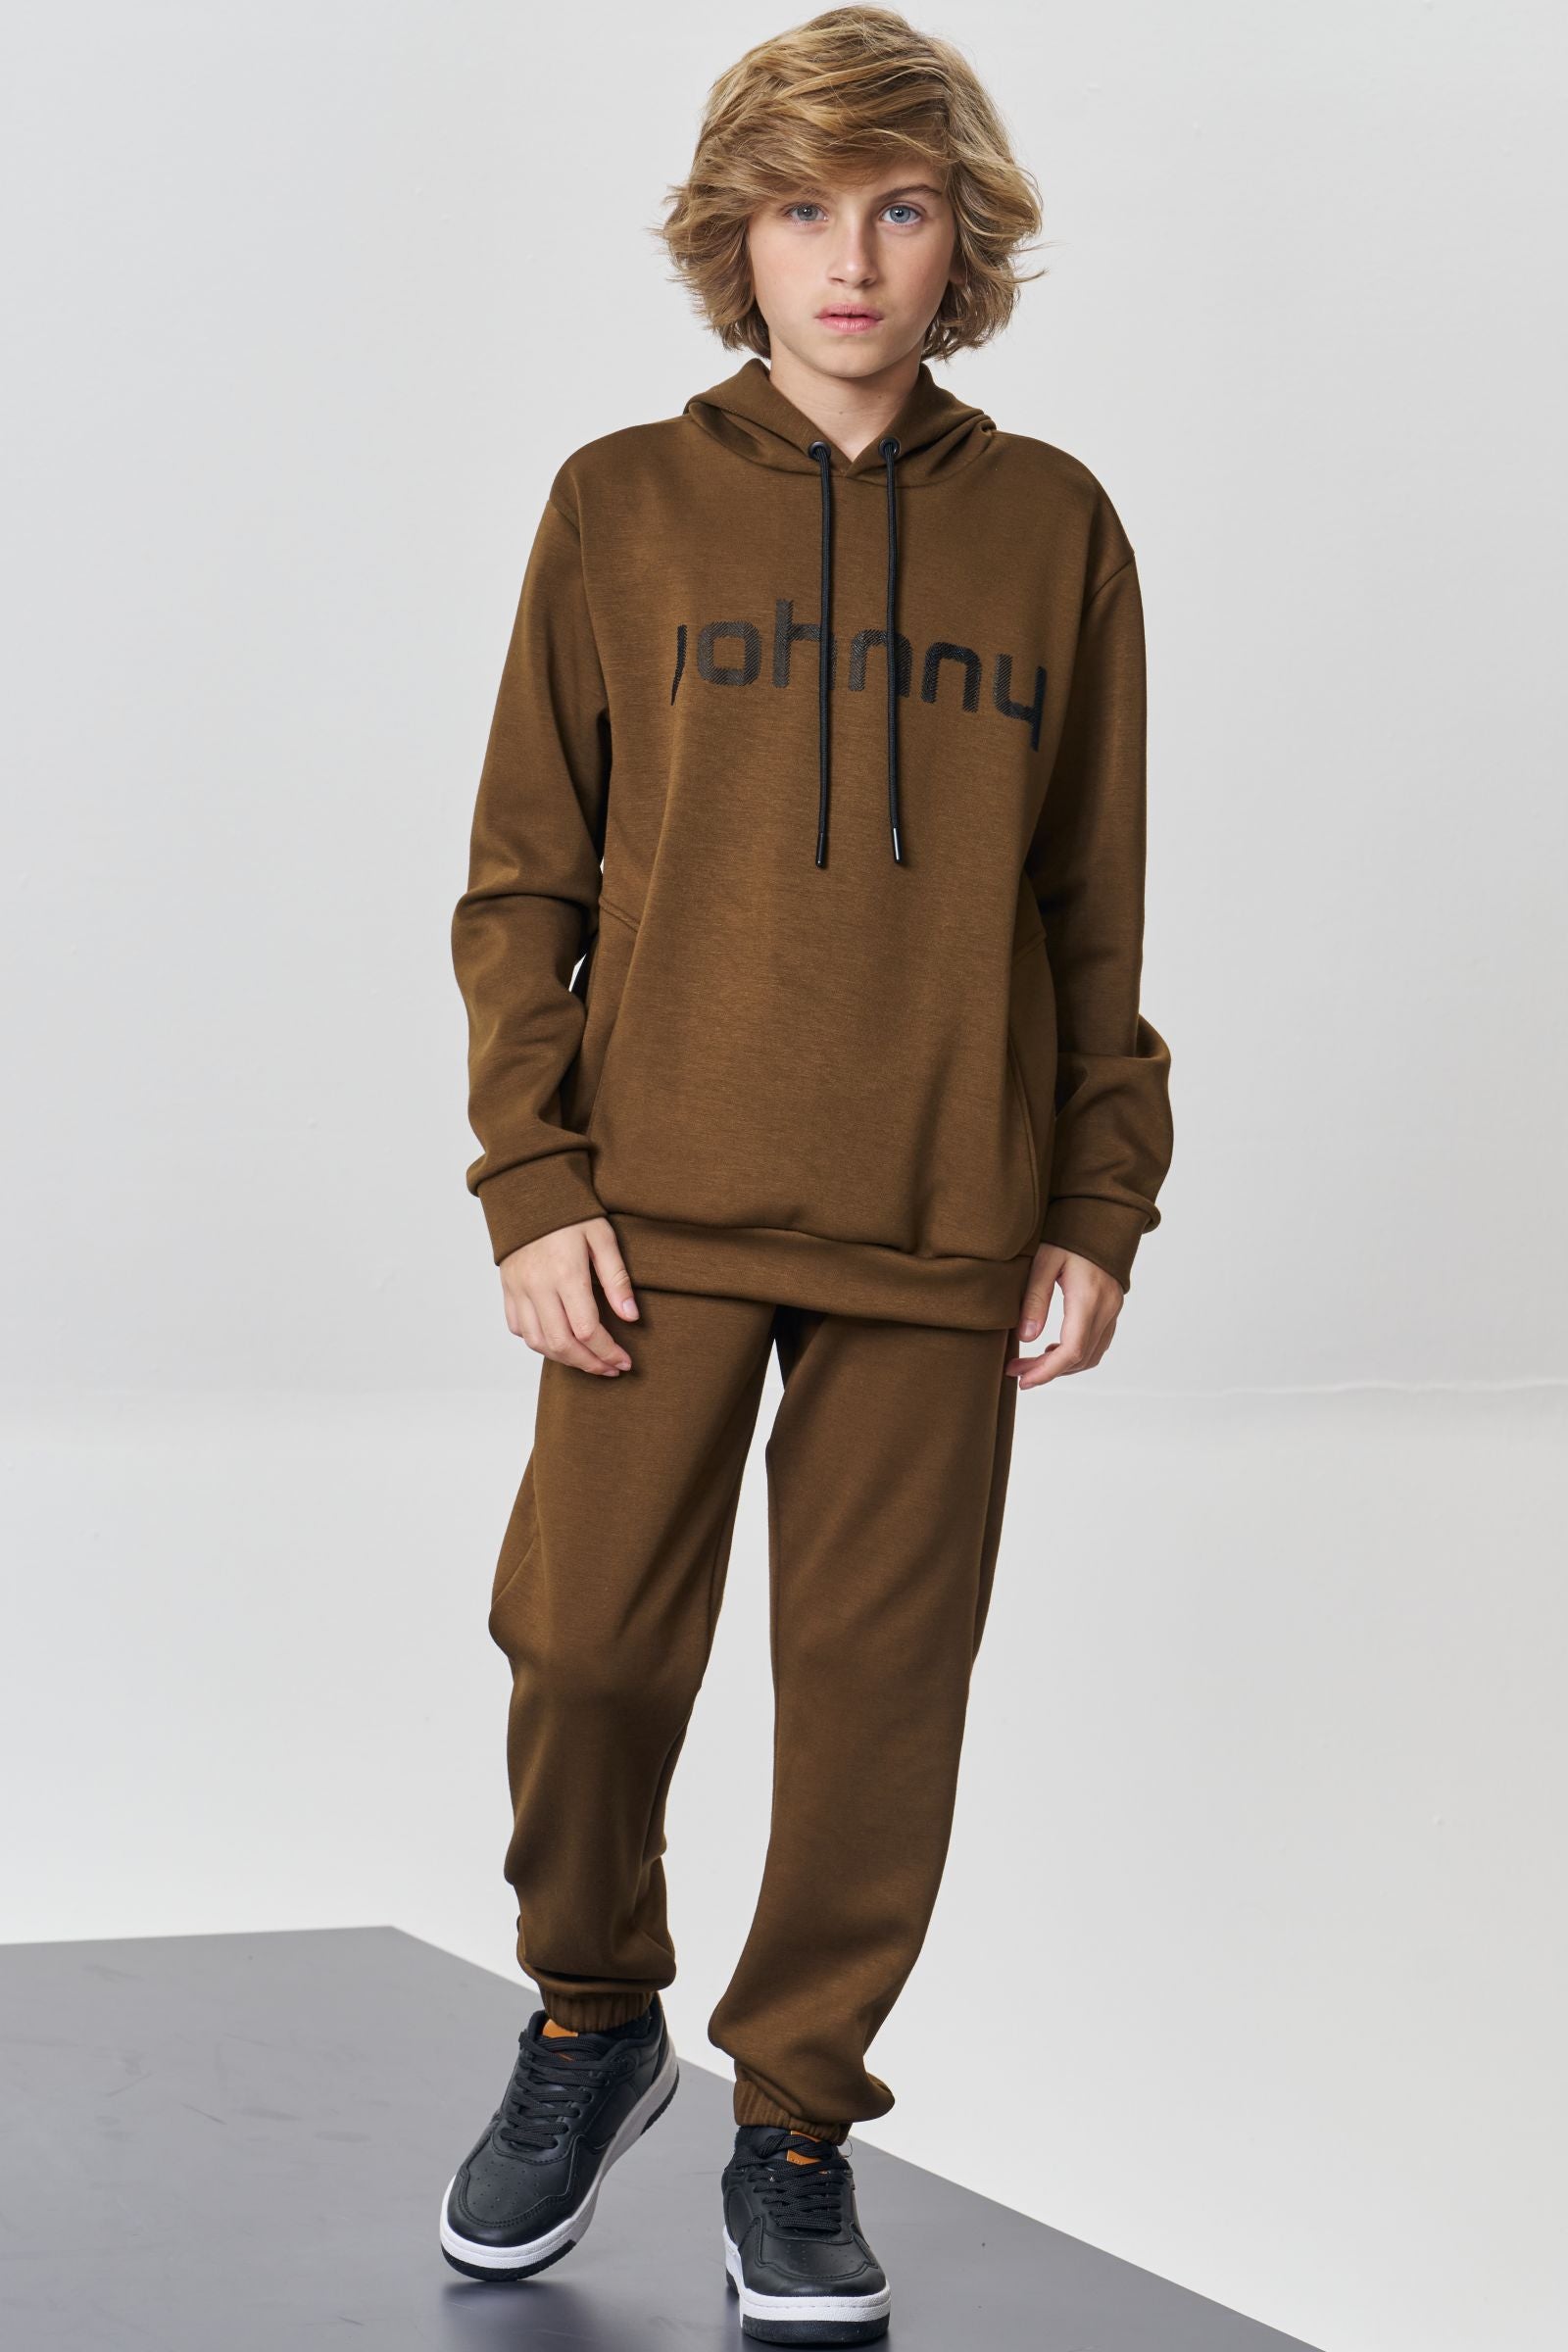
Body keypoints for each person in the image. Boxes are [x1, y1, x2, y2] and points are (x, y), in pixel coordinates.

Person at [439, 6, 1174, 2338]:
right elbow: (520, 884)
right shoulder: (616, 506)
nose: (847, 260)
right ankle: (589, 2015)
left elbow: (1088, 907)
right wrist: (531, 1173)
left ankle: (792, 2127)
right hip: (646, 1214)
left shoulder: (1053, 530)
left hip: (945, 1221)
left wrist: (1097, 1197)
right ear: (732, 241)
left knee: (873, 1705)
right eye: (797, 212)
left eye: (897, 208)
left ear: (959, 241)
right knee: (579, 1646)